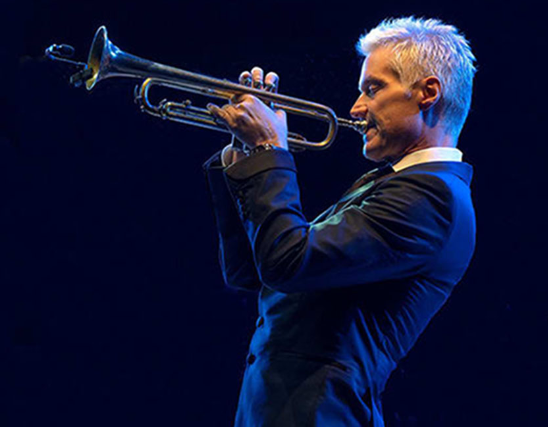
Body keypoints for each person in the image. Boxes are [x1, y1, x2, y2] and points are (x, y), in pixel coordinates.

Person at [204, 16, 477, 427]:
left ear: (427, 93)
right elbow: (254, 272)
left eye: (373, 89)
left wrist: (268, 149)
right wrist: (246, 155)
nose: (356, 108)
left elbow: (286, 262)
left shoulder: (431, 198)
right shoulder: (394, 184)